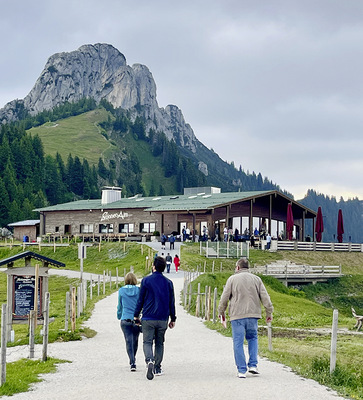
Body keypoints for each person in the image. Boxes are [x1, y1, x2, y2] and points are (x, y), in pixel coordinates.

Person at [218, 258, 273, 379]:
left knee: (238, 341)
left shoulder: (232, 279)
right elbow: (265, 297)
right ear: (248, 267)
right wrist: (269, 312)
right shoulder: (256, 279)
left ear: (237, 267)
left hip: (237, 315)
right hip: (253, 314)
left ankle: (241, 370)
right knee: (253, 338)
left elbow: (224, 298)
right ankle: (253, 365)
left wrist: (221, 312)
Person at [134, 256, 177, 380]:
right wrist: (173, 318)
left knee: (147, 342)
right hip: (163, 318)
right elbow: (171, 302)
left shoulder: (146, 281)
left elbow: (140, 300)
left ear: (153, 266)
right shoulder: (169, 283)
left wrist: (136, 315)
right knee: (159, 343)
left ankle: (149, 360)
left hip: (148, 317)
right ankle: (157, 367)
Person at [117, 272, 141, 371]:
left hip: (125, 318)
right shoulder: (139, 290)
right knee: (135, 340)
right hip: (136, 319)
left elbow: (120, 305)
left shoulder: (121, 291)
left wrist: (119, 315)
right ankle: (133, 358)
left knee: (128, 340)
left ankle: (132, 361)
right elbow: (141, 304)